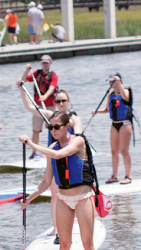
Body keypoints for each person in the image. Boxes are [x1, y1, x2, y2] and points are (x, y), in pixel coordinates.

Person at [18, 112, 104, 250]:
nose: (53, 131)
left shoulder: (78, 142)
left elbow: (59, 155)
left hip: (83, 198)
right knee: (63, 246)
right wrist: (29, 199)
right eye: (51, 127)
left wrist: (31, 144)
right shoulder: (50, 148)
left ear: (67, 127)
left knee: (88, 246)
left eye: (57, 127)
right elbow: (46, 181)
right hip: (64, 199)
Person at [19, 84, 82, 239]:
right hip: (54, 159)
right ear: (54, 103)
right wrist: (21, 88)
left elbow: (79, 134)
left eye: (63, 101)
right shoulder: (49, 115)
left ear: (68, 101)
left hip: (70, 159)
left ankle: (76, 222)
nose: (61, 104)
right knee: (55, 195)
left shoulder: (73, 118)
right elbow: (29, 106)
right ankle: (57, 228)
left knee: (75, 193)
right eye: (58, 101)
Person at [93, 72, 132, 184]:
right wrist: (96, 111)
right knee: (114, 151)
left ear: (118, 81)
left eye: (112, 81)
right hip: (114, 124)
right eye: (109, 81)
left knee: (124, 151)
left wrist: (119, 82)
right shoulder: (110, 95)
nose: (110, 83)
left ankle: (128, 176)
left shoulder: (126, 91)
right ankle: (114, 176)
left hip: (125, 123)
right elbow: (107, 109)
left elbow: (126, 97)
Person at [22, 57, 58, 155]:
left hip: (50, 106)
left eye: (47, 63)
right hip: (38, 107)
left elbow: (52, 88)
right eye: (43, 63)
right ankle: (34, 153)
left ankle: (53, 150)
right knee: (36, 130)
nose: (45, 65)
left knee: (53, 129)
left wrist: (45, 96)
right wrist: (26, 70)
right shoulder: (37, 73)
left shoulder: (53, 75)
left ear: (50, 63)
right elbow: (23, 80)